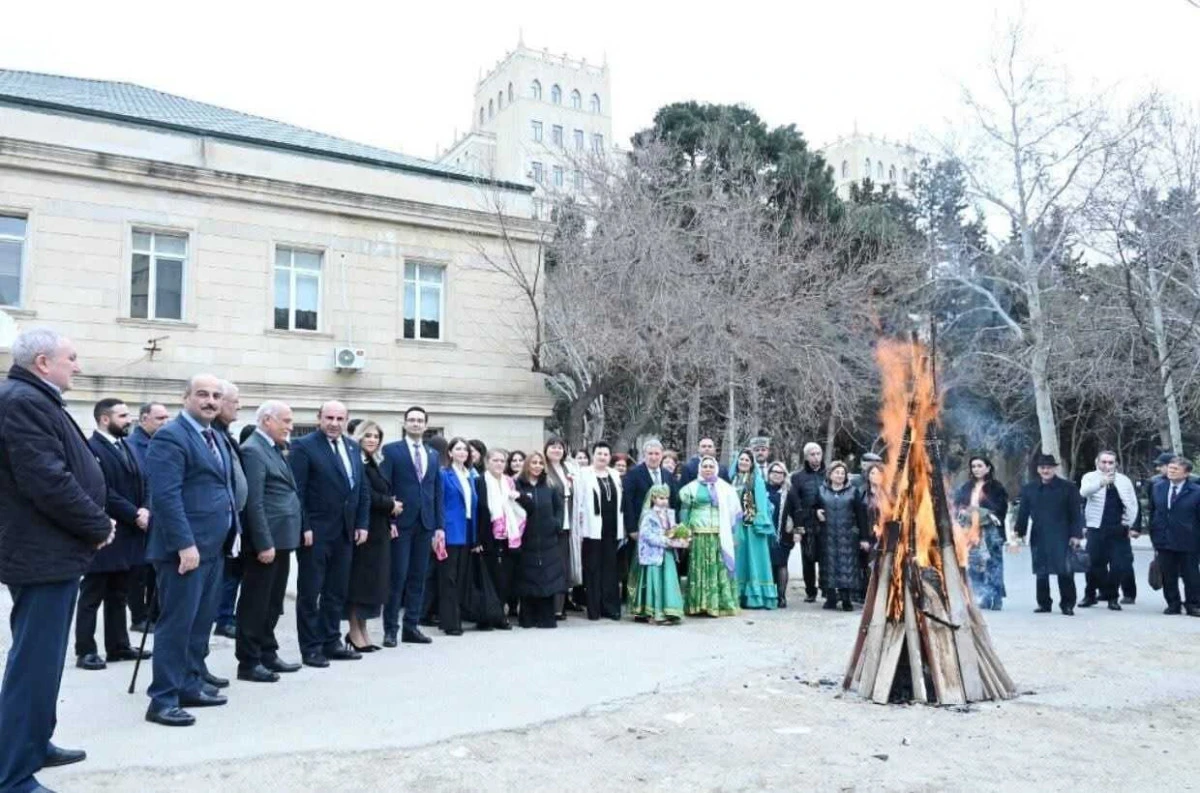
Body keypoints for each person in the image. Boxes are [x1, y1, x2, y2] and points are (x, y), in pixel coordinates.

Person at [0, 329, 113, 787]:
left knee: (43, 663)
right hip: (41, 554)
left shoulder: (36, 398)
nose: (78, 366)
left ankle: (33, 741)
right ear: (43, 362)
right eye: (72, 358)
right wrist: (98, 525)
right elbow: (47, 480)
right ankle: (13, 773)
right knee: (34, 664)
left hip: (50, 552)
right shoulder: (23, 401)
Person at [144, 374, 240, 726]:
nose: (210, 401)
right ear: (185, 397)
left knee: (200, 623)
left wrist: (234, 531)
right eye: (202, 394)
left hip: (214, 548)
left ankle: (189, 685)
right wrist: (185, 544)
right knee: (177, 625)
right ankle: (163, 699)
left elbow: (224, 489)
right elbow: (166, 496)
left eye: (216, 395)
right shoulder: (171, 436)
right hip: (184, 551)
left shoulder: (213, 436)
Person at [289, 401, 370, 668]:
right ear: (319, 418)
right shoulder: (304, 446)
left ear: (346, 420)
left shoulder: (352, 447)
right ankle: (310, 647)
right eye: (329, 418)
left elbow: (360, 489)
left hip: (345, 532)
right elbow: (297, 491)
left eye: (339, 418)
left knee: (336, 591)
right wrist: (304, 526)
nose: (334, 423)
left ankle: (331, 641)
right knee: (310, 592)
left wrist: (362, 523)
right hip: (316, 533)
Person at [77, 398, 150, 671]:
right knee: (92, 594)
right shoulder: (90, 448)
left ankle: (118, 646)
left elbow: (145, 480)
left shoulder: (127, 445)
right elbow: (102, 489)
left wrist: (146, 509)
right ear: (105, 419)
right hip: (107, 531)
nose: (129, 420)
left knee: (119, 593)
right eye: (123, 416)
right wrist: (134, 513)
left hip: (129, 533)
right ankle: (85, 650)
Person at [234, 401, 304, 683]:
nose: (290, 426)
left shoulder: (272, 447)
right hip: (266, 542)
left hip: (282, 539)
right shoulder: (253, 450)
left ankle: (267, 651)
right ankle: (249, 661)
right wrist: (263, 543)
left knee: (273, 602)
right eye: (285, 421)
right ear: (266, 420)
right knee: (256, 603)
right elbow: (254, 502)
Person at [382, 406, 443, 646]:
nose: (416, 424)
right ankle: (390, 629)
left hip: (425, 523)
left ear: (426, 425)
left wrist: (439, 526)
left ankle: (411, 626)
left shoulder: (433, 454)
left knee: (419, 576)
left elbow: (437, 491)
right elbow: (386, 486)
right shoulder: (391, 450)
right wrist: (390, 519)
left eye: (420, 420)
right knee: (398, 577)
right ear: (405, 423)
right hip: (401, 522)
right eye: (412, 420)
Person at [344, 419, 400, 651]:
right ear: (359, 437)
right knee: (359, 582)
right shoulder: (356, 460)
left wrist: (390, 512)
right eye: (368, 435)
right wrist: (391, 504)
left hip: (379, 529)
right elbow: (365, 493)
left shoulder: (374, 461)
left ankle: (363, 630)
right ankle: (354, 631)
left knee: (372, 583)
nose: (372, 440)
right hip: (363, 528)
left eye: (376, 436)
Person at [1013, 453, 1084, 616]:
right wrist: (1019, 532)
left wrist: (1076, 534)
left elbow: (1076, 513)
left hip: (1062, 534)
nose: (1046, 471)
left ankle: (1067, 604)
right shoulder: (1029, 489)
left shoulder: (1068, 488)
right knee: (1041, 571)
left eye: (1049, 468)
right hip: (1039, 534)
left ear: (1055, 469)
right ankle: (1044, 603)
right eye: (1042, 468)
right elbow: (1023, 513)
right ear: (1038, 470)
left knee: (1065, 570)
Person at [127, 400, 170, 634]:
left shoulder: (163, 442)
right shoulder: (133, 445)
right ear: (144, 419)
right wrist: (142, 510)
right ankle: (139, 616)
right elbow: (143, 481)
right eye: (160, 418)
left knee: (156, 569)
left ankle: (154, 613)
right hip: (140, 516)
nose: (165, 422)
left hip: (160, 514)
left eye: (167, 418)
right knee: (139, 571)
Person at [679, 456, 739, 617]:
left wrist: (733, 533)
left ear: (716, 468)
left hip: (719, 533)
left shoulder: (725, 488)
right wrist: (684, 532)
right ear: (700, 469)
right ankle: (699, 604)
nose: (707, 469)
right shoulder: (690, 488)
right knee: (699, 567)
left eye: (711, 466)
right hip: (699, 533)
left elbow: (733, 511)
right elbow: (684, 511)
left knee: (718, 567)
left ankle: (718, 604)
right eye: (704, 466)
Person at [1078, 451, 1139, 611]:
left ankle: (1113, 597)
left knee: (1119, 564)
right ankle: (1090, 595)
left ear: (1116, 464)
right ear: (1097, 462)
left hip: (1118, 528)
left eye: (1111, 462)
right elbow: (1084, 492)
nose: (1107, 465)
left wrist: (1129, 523)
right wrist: (1101, 483)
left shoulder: (1124, 480)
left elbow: (1132, 503)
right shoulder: (1090, 477)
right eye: (1104, 462)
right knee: (1093, 563)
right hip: (1096, 527)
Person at [211, 382, 248, 641]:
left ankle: (225, 617)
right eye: (235, 401)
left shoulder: (224, 435)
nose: (239, 406)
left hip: (233, 519)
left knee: (232, 572)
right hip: (216, 523)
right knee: (224, 575)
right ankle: (223, 617)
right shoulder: (210, 435)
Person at [622, 439, 678, 605]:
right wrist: (631, 528)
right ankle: (638, 601)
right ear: (644, 455)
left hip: (664, 530)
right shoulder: (633, 474)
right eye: (650, 454)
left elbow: (673, 502)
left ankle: (660, 600)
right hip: (642, 528)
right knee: (639, 565)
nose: (653, 457)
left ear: (661, 455)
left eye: (657, 454)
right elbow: (628, 502)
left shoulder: (667, 475)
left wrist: (673, 528)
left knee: (661, 566)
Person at [514, 452, 566, 628]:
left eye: (540, 463)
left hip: (548, 539)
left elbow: (559, 508)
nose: (537, 466)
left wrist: (556, 524)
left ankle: (546, 618)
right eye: (534, 463)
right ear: (527, 465)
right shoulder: (518, 485)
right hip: (526, 538)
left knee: (547, 577)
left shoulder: (550, 486)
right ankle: (528, 618)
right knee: (527, 577)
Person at [574, 442, 624, 620]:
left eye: (605, 454)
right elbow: (579, 502)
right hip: (591, 529)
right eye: (599, 454)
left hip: (611, 528)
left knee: (610, 569)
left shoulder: (615, 474)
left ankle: (610, 607)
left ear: (609, 457)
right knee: (593, 569)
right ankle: (594, 608)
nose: (602, 457)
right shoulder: (583, 474)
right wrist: (579, 527)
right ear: (593, 455)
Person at [953, 456, 1009, 611]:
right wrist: (963, 512)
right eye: (973, 466)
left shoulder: (996, 487)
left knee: (994, 563)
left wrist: (982, 513)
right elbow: (958, 505)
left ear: (988, 468)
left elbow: (1000, 509)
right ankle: (982, 596)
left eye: (979, 466)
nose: (976, 469)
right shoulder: (966, 487)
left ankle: (996, 597)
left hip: (991, 531)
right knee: (974, 563)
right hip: (970, 530)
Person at [435, 437, 478, 636]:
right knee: (449, 578)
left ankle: (455, 617)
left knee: (460, 577)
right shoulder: (444, 474)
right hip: (450, 530)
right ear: (450, 453)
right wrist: (439, 529)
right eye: (458, 449)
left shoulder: (470, 475)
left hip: (467, 530)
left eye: (465, 450)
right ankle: (450, 622)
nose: (462, 452)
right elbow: (439, 503)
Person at [1148, 456, 1200, 616]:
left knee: (1191, 575)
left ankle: (1193, 604)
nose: (1171, 471)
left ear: (1186, 473)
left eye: (1176, 469)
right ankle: (1173, 604)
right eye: (1170, 468)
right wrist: (1154, 532)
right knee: (1168, 574)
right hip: (1164, 538)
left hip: (1188, 539)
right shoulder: (1158, 487)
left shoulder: (1196, 491)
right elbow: (1153, 511)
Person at [476, 448, 521, 629]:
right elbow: (477, 510)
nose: (499, 464)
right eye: (495, 460)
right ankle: (486, 617)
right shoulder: (480, 481)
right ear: (487, 462)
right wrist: (477, 539)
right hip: (487, 535)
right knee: (488, 578)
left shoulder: (509, 482)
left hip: (508, 534)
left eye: (502, 461)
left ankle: (500, 615)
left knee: (504, 578)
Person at [629, 485, 686, 624]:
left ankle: (669, 611)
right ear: (653, 498)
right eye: (661, 498)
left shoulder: (669, 513)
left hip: (667, 554)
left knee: (668, 580)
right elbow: (646, 535)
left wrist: (680, 537)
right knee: (655, 581)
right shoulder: (648, 515)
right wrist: (666, 540)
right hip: (653, 553)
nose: (664, 501)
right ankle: (654, 613)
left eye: (666, 498)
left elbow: (673, 530)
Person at [816, 461, 869, 611]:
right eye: (836, 472)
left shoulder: (853, 491)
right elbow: (813, 507)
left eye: (842, 473)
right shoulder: (821, 491)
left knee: (847, 567)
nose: (839, 475)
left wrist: (863, 538)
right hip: (827, 536)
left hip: (847, 536)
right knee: (828, 567)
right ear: (830, 474)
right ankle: (830, 598)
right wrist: (816, 512)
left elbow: (861, 516)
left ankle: (846, 599)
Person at [730, 449, 779, 609]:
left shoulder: (756, 480)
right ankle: (738, 595)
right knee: (739, 560)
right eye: (741, 459)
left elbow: (762, 503)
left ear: (751, 464)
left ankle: (757, 596)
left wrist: (760, 522)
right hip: (736, 526)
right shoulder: (732, 479)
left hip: (752, 527)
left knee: (754, 559)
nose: (743, 462)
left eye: (747, 460)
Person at [784, 442, 827, 603]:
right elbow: (796, 503)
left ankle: (826, 589)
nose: (816, 457)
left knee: (826, 557)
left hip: (826, 522)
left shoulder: (828, 474)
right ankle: (810, 591)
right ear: (806, 457)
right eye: (812, 454)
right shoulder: (798, 477)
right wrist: (798, 526)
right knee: (808, 558)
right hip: (807, 522)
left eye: (818, 453)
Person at [544, 436, 581, 618]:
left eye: (560, 447)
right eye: (553, 447)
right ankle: (551, 607)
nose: (556, 450)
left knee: (564, 566)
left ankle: (560, 605)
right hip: (551, 524)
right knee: (552, 565)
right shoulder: (543, 469)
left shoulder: (569, 468)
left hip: (569, 523)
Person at [765, 461, 793, 608]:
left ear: (784, 475)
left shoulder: (789, 491)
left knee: (781, 563)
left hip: (783, 533)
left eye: (780, 473)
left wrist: (797, 530)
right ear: (769, 473)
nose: (777, 475)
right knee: (767, 564)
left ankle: (781, 596)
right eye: (774, 472)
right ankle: (769, 595)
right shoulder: (761, 488)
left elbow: (797, 510)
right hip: (765, 534)